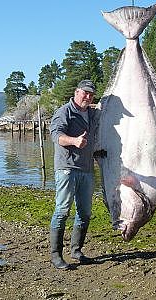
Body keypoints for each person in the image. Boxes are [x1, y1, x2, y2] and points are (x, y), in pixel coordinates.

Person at [49, 79, 100, 270]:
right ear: (77, 92)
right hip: (67, 168)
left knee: (85, 213)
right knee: (62, 211)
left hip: (87, 169)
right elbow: (56, 135)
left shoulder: (93, 114)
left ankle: (76, 250)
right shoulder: (64, 112)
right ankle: (56, 255)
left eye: (91, 94)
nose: (88, 96)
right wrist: (73, 141)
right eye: (85, 92)